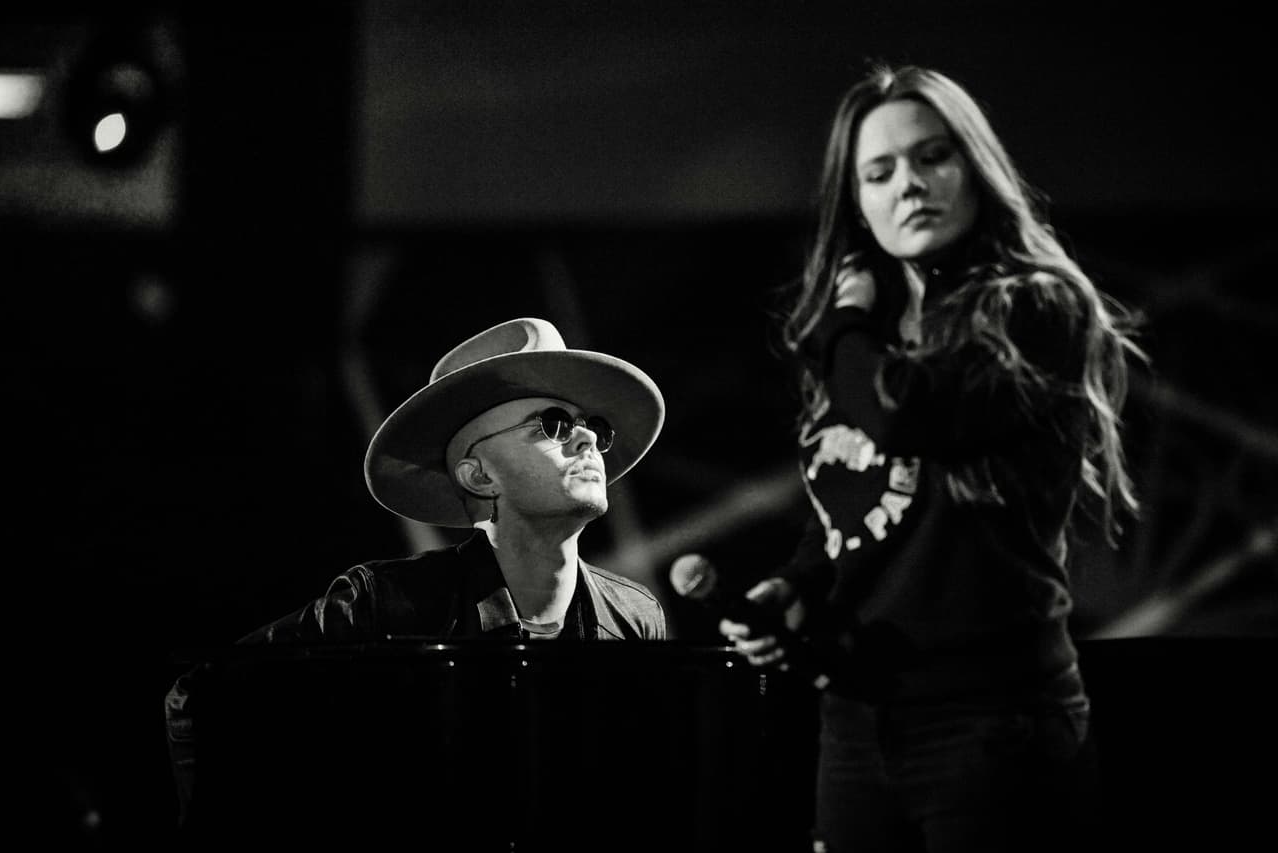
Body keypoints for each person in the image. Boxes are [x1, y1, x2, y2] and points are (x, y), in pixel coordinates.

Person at [719, 64, 1144, 852]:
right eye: (879, 172)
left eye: (932, 157)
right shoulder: (866, 336)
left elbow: (903, 413)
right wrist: (796, 584)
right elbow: (857, 494)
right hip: (857, 721)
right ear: (857, 204)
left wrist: (843, 325)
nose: (909, 184)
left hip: (994, 724)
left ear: (975, 168)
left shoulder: (1034, 305)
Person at [164, 316, 667, 827]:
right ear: (480, 476)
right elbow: (202, 697)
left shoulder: (635, 616)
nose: (587, 439)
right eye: (554, 424)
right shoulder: (382, 604)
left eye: (593, 426)